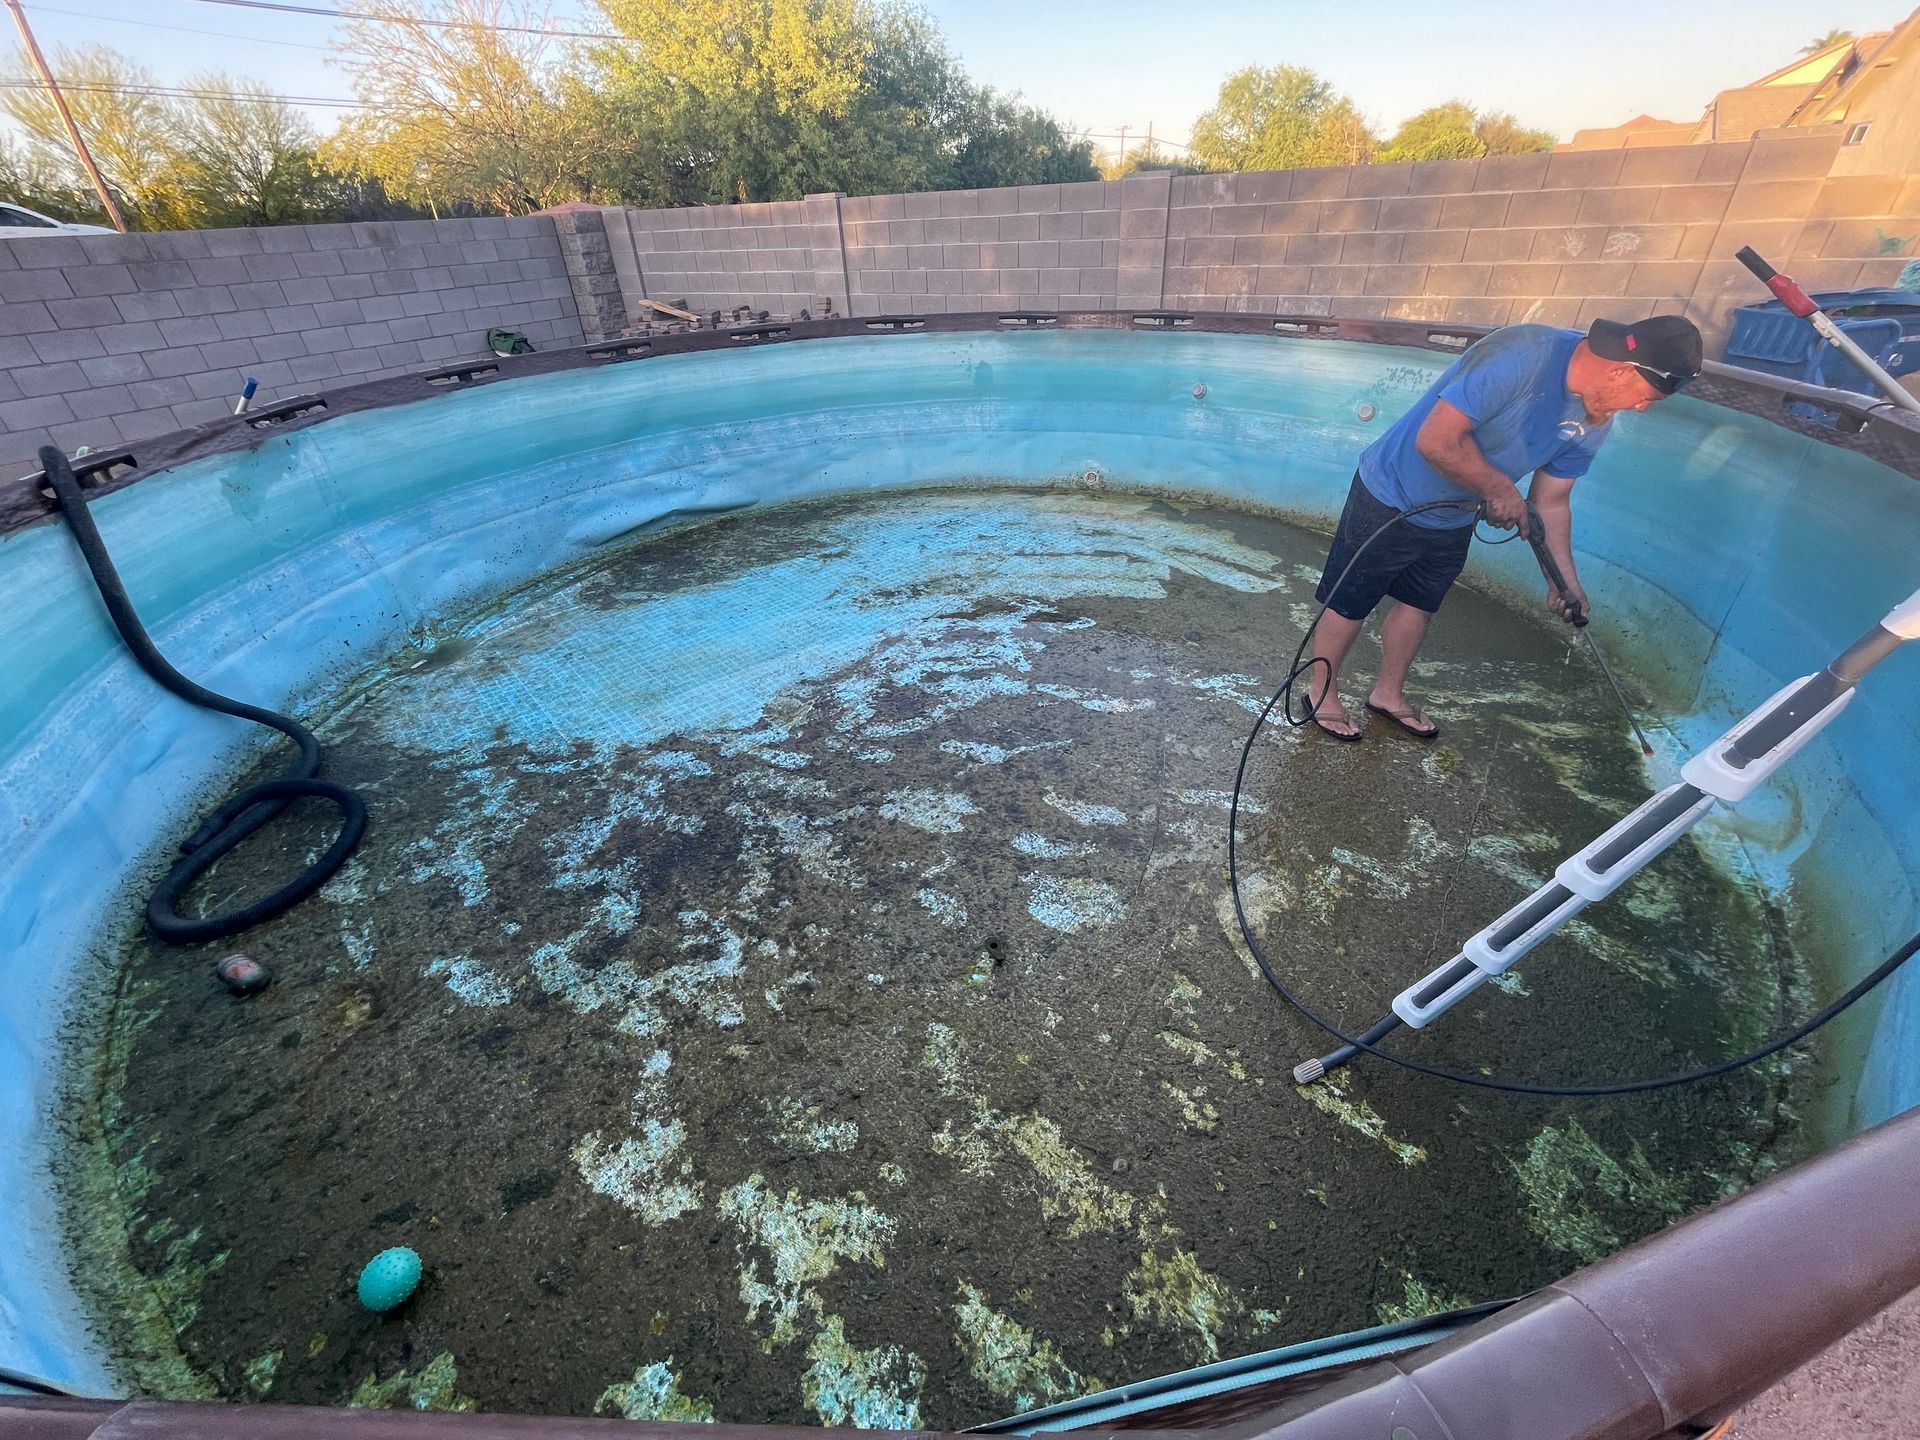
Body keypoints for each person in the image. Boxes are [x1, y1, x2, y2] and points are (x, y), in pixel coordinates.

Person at [1307, 314, 1702, 741]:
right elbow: (1436, 441)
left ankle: (1388, 694)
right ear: (1621, 370)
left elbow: (1550, 500)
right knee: (1351, 602)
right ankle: (1321, 693)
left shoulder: (1596, 415)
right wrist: (1499, 489)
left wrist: (1563, 582)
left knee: (1419, 605)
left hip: (1456, 511)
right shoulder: (1521, 355)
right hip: (1391, 493)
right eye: (1645, 398)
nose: (1641, 408)